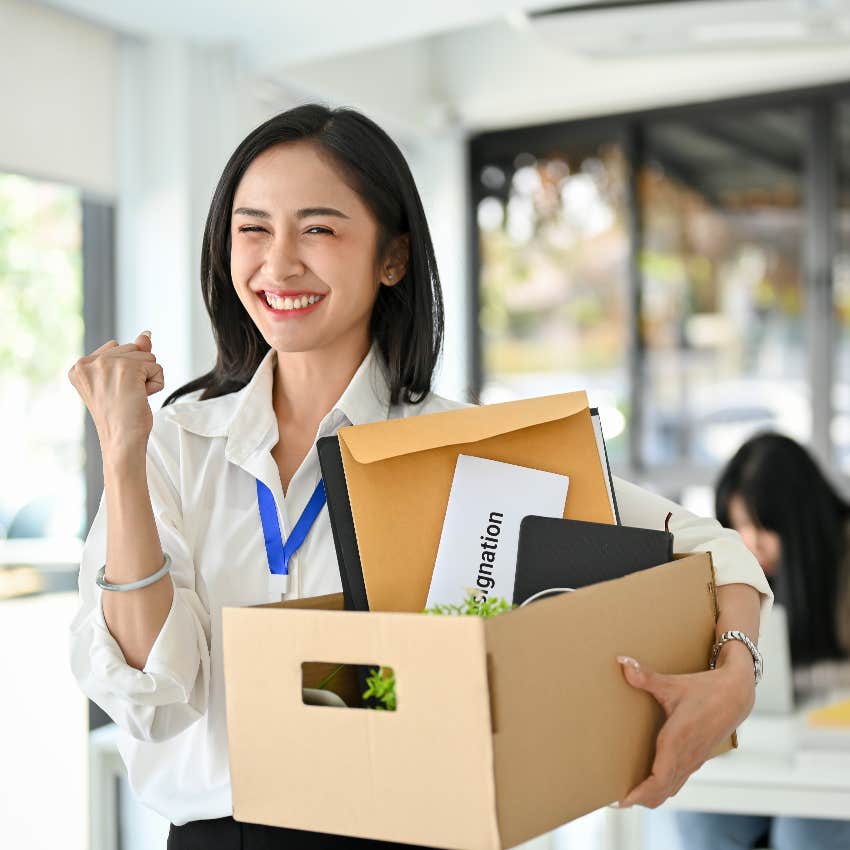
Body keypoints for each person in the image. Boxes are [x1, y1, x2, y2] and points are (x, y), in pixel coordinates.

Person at [68, 104, 772, 849]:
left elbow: (713, 549)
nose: (278, 263)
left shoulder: (460, 445)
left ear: (393, 258)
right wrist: (120, 450)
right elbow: (155, 695)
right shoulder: (172, 447)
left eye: (318, 228)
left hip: (407, 832)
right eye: (253, 229)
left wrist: (735, 678)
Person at [673, 432, 850, 850]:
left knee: (805, 832)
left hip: (834, 753)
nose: (751, 542)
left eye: (762, 525)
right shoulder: (740, 572)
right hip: (774, 746)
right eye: (739, 526)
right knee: (703, 822)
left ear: (798, 520)